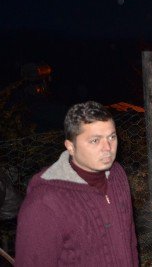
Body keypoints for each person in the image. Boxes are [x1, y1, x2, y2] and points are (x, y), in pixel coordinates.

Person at [15, 101, 138, 265]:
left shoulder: (117, 175)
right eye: (95, 140)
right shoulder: (44, 204)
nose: (107, 147)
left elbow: (130, 241)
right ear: (70, 147)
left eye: (112, 137)